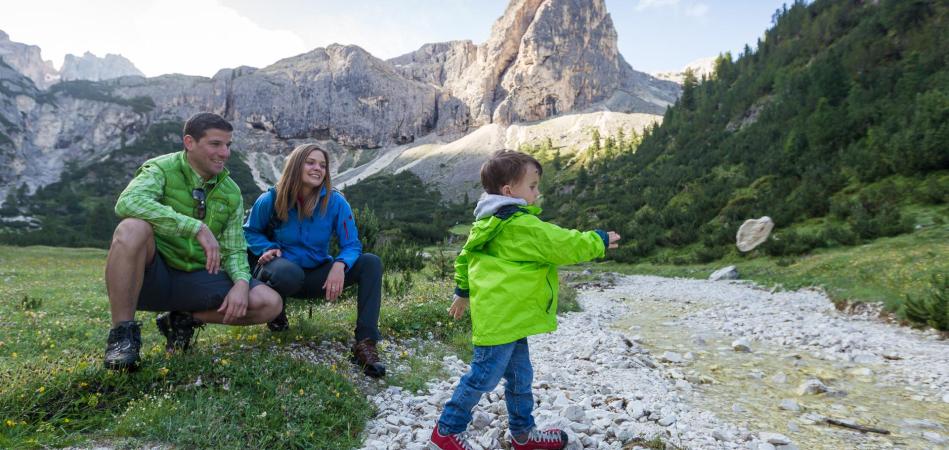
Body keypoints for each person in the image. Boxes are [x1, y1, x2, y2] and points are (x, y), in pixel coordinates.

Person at [429, 150, 621, 450]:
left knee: (520, 376)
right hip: (503, 318)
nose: (537, 192)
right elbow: (561, 244)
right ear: (509, 191)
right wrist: (599, 240)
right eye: (532, 186)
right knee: (483, 376)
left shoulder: (487, 221)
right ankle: (447, 430)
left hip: (509, 317)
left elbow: (465, 257)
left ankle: (523, 434)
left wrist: (463, 291)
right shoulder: (520, 225)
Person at [103, 112, 283, 371]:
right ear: (189, 142)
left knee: (270, 303)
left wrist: (242, 283)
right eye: (215, 144)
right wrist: (193, 226)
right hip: (155, 275)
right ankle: (122, 337)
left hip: (200, 277)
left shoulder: (230, 191)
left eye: (228, 145)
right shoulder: (162, 168)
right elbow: (128, 202)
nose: (225, 153)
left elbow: (234, 248)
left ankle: (182, 320)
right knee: (131, 228)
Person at [243, 143, 386, 378]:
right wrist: (267, 248)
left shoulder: (336, 202)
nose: (318, 168)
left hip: (315, 275)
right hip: (280, 272)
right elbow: (250, 231)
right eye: (310, 162)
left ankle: (365, 343)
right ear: (296, 165)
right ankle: (276, 314)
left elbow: (352, 244)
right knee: (289, 273)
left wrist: (340, 264)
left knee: (371, 262)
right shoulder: (270, 198)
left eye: (323, 165)